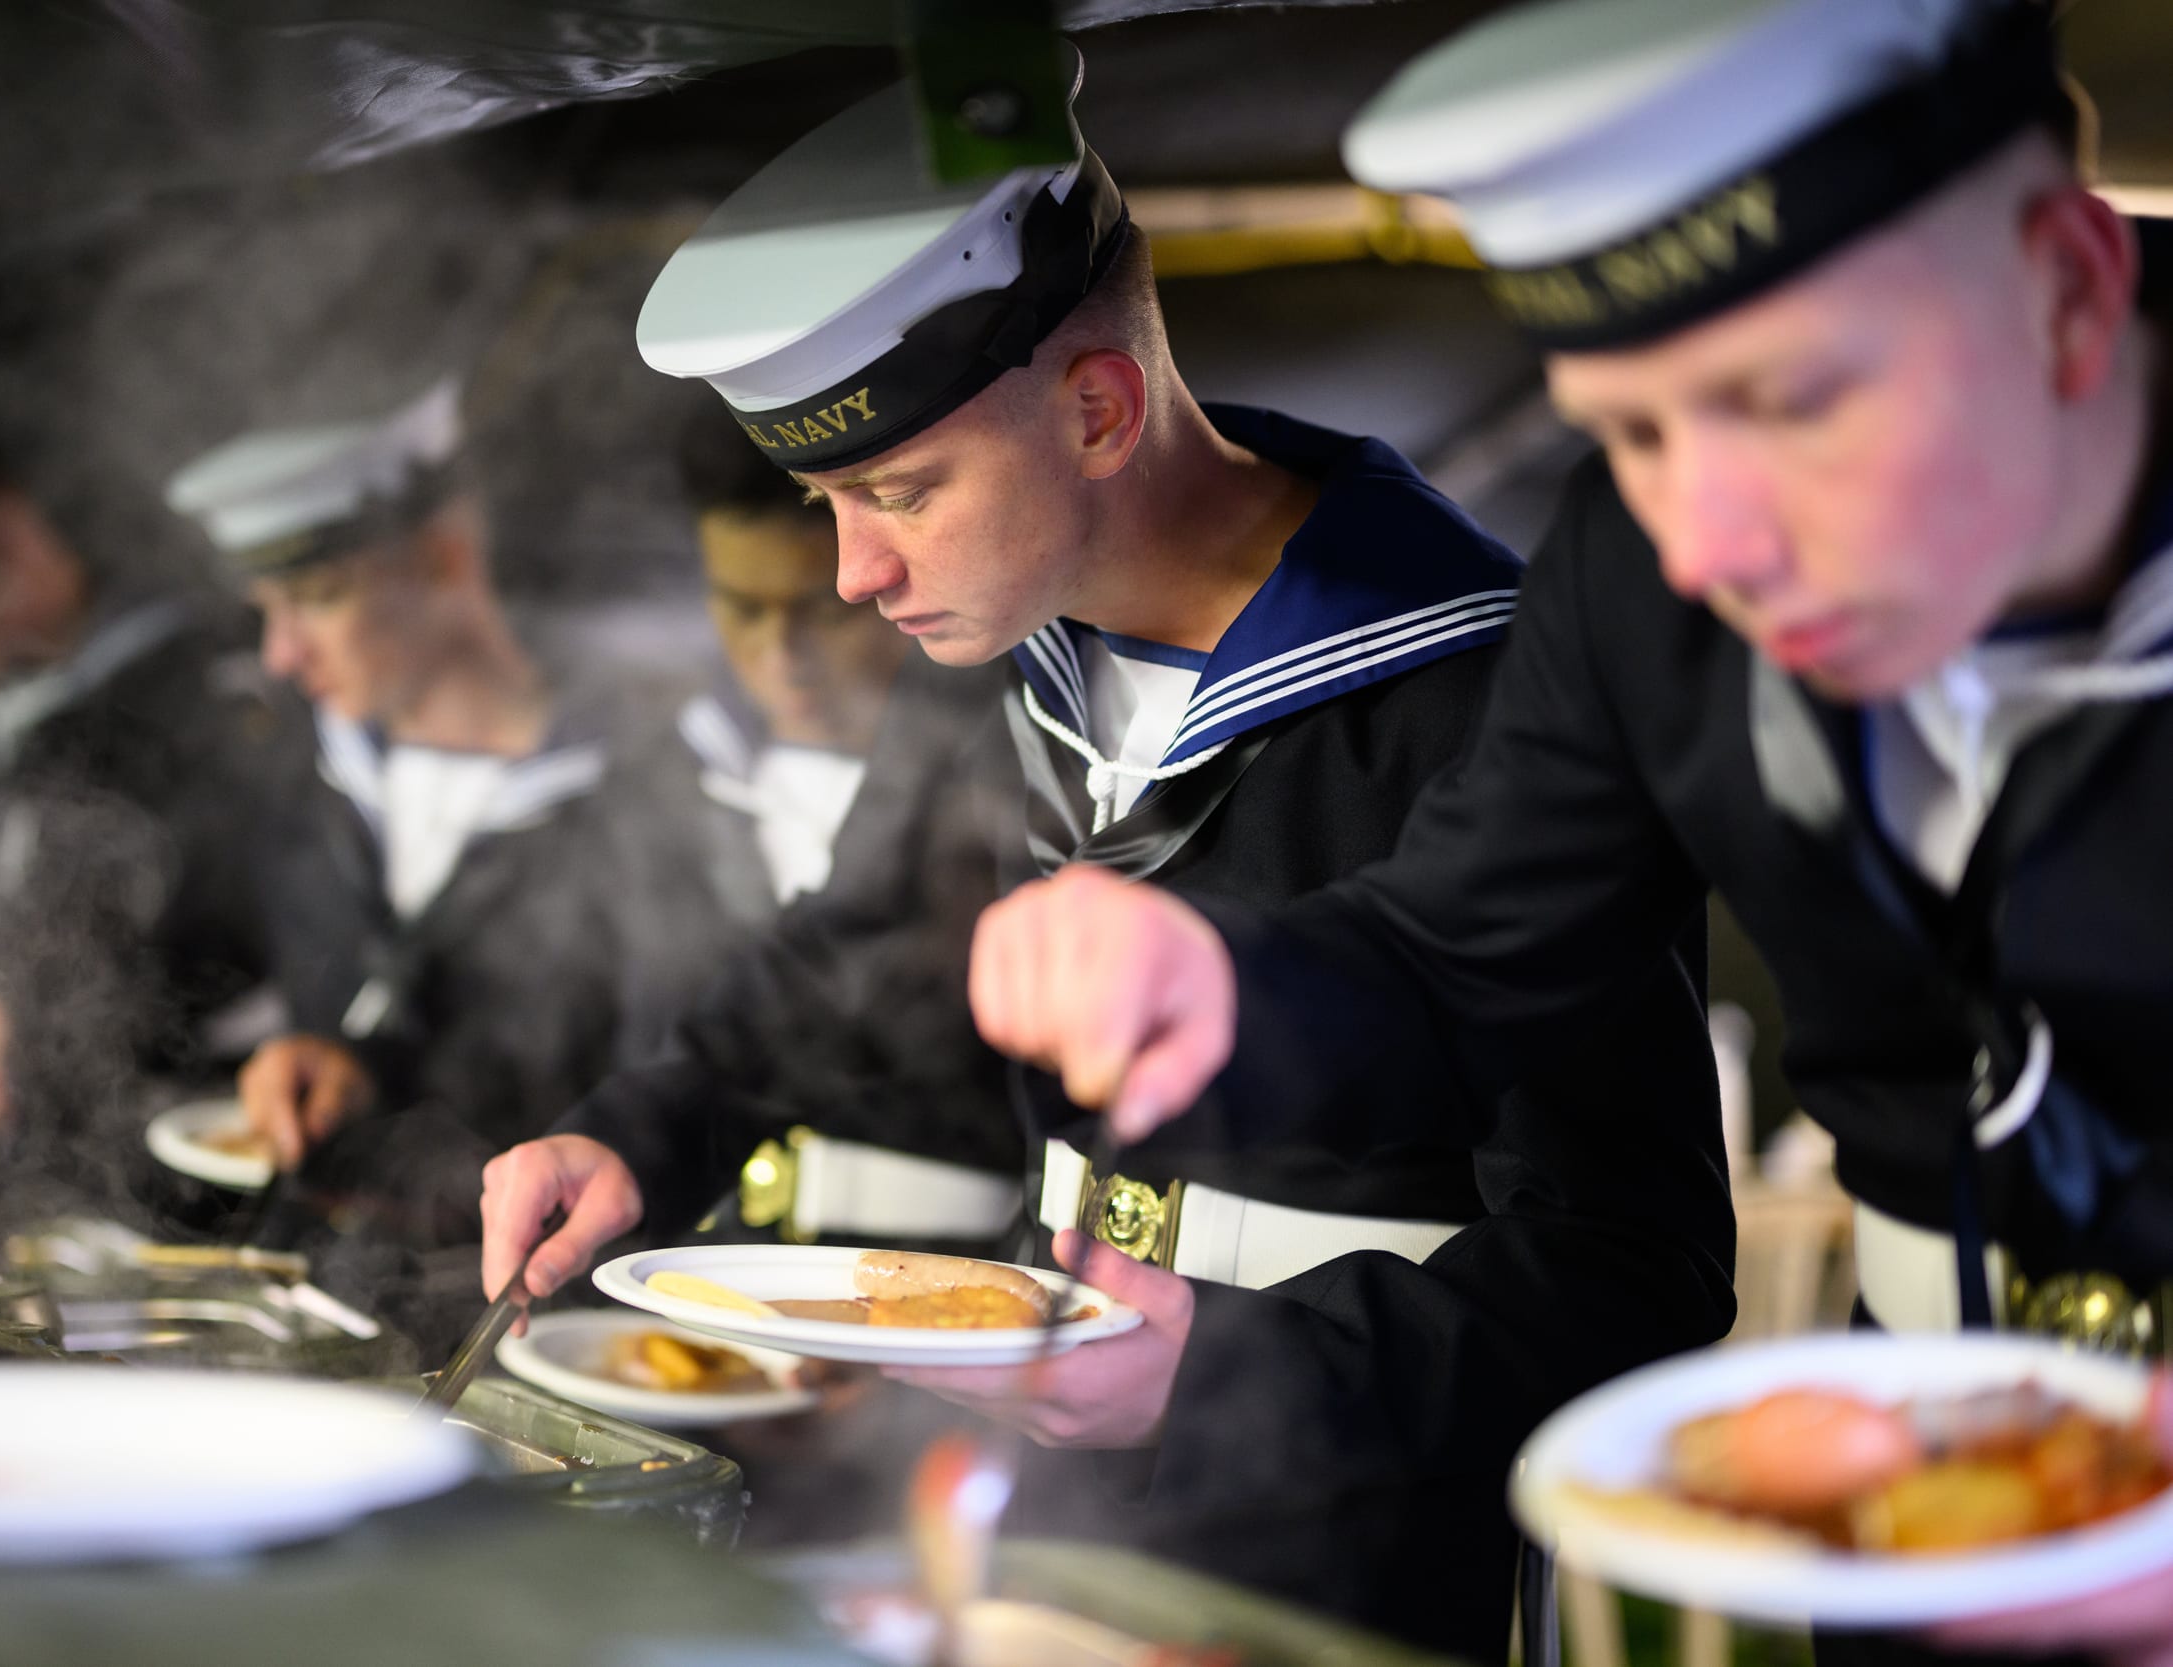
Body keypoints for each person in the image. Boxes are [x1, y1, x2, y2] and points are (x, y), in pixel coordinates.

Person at [964, 4, 2173, 1664]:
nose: (1711, 540)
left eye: (1791, 397)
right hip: (1924, 1502)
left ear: (2069, 289)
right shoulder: (1640, 570)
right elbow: (1464, 949)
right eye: (1637, 428)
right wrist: (1224, 988)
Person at [476, 65, 1733, 1657]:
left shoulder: (1484, 692)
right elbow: (851, 958)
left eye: (898, 491)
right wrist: (639, 1132)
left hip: (1362, 1530)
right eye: (826, 502)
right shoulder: (994, 654)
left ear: (1096, 409)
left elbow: (1635, 1263)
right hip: (1032, 1502)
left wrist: (1215, 1368)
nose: (855, 573)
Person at [167, 379, 625, 1319]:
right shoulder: (300, 780)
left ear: (445, 559)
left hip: (545, 1321)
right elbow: (177, 953)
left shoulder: (638, 787)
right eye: (266, 607)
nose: (282, 652)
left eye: (319, 597)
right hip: (320, 1300)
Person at [0, 368, 302, 1228]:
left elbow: (125, 856)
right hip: (75, 1185)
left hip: (220, 1185)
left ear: (9, 547)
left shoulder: (206, 687)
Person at [595, 410, 1024, 1251]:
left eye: (816, 609)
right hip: (668, 1287)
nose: (779, 652)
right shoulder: (653, 778)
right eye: (741, 606)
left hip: (941, 1300)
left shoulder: (1013, 784)